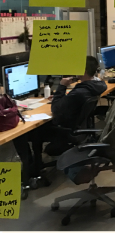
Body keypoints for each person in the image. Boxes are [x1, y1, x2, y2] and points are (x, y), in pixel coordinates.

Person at [13, 56, 107, 186]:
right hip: (78, 128)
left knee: (22, 134)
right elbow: (69, 102)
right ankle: (35, 164)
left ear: (84, 71)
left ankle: (31, 170)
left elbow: (56, 109)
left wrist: (62, 87)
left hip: (67, 130)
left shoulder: (80, 91)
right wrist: (61, 97)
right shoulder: (95, 86)